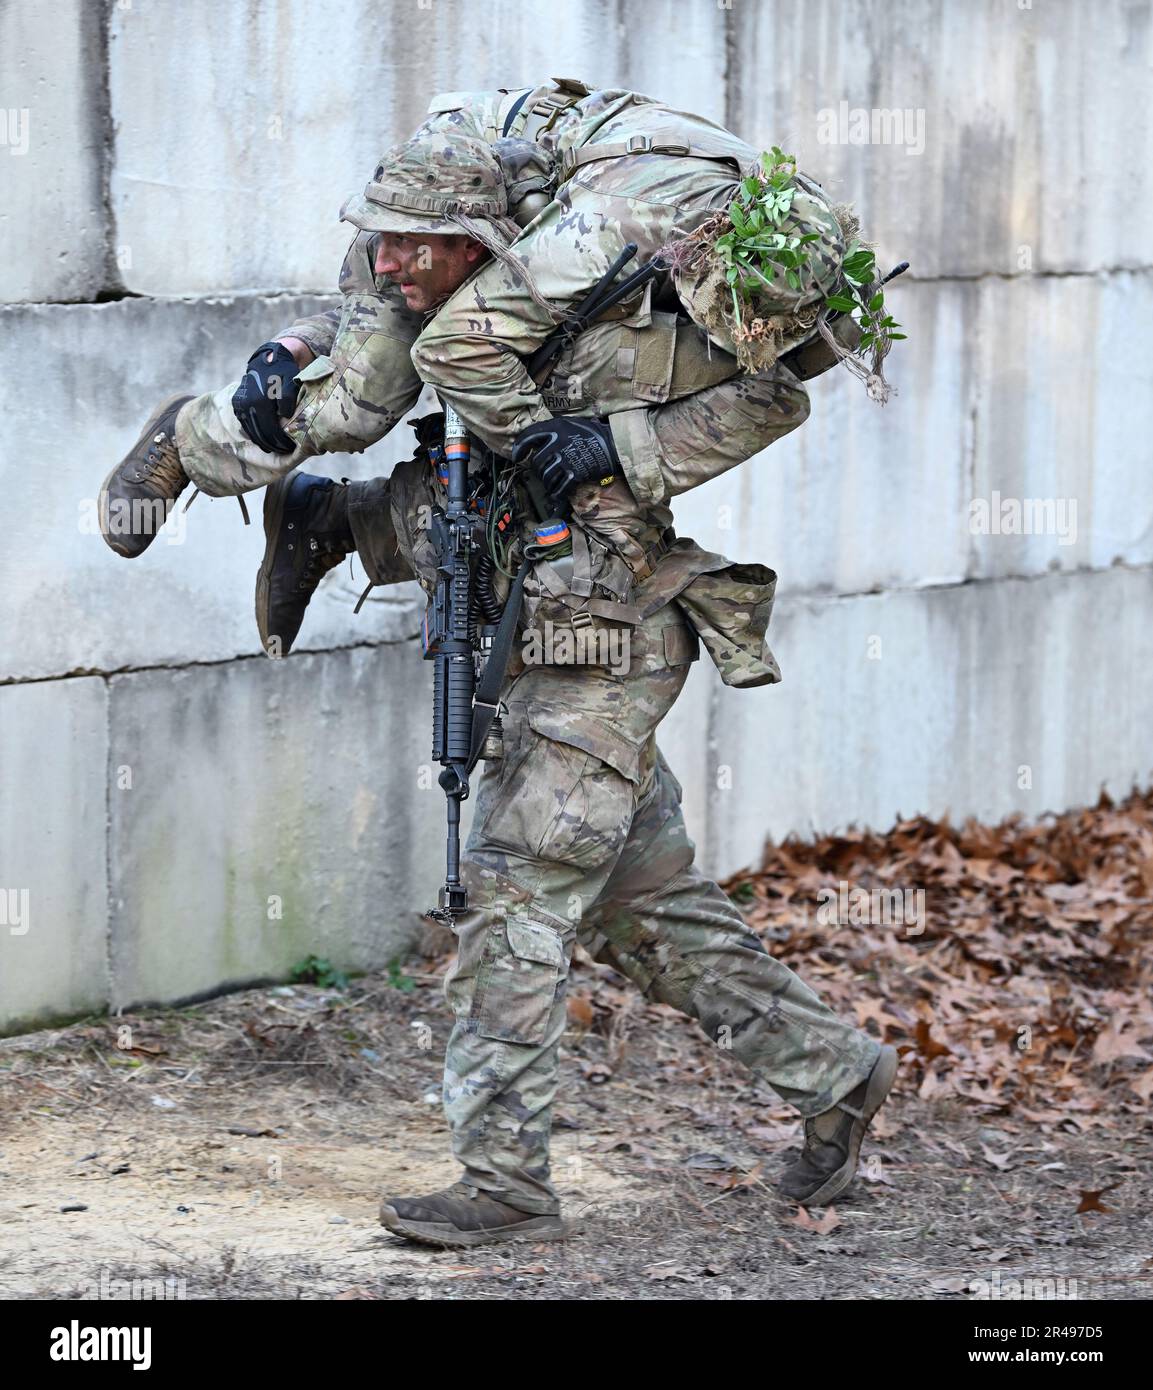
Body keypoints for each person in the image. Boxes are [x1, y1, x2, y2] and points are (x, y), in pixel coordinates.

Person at [97, 83, 898, 1249]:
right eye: (389, 242)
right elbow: (367, 376)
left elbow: (768, 398)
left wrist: (612, 445)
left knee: (521, 883)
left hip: (612, 622)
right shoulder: (418, 260)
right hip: (546, 600)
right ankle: (836, 1074)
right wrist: (288, 356)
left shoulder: (669, 283)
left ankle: (506, 1175)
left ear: (487, 240)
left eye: (426, 248)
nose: (401, 262)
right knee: (641, 901)